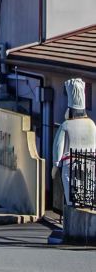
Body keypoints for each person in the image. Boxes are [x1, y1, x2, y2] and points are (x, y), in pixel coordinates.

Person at [52, 78, 96, 207]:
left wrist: (55, 165)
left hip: (69, 165)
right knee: (88, 192)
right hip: (90, 164)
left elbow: (58, 146)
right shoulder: (92, 125)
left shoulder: (66, 125)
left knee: (71, 195)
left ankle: (73, 210)